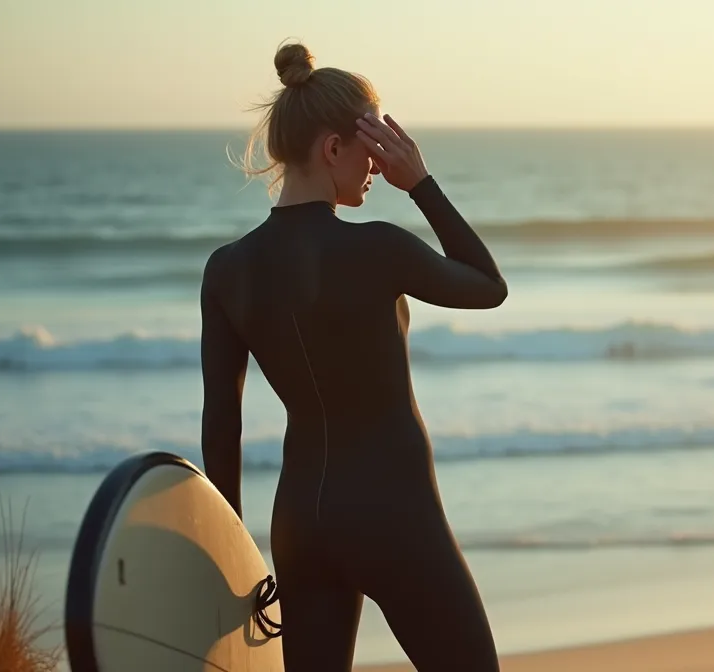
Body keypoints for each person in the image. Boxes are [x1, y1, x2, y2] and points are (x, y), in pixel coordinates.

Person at [199, 40, 507, 671]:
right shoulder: (378, 249)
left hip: (299, 527)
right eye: (371, 147)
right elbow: (487, 285)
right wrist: (420, 183)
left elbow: (221, 425)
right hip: (393, 513)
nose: (379, 164)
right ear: (332, 148)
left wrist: (231, 549)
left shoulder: (226, 270)